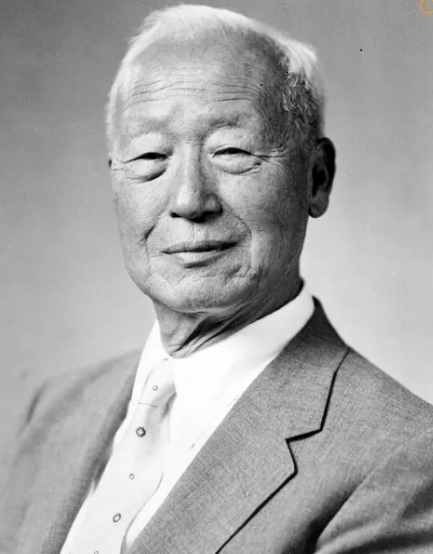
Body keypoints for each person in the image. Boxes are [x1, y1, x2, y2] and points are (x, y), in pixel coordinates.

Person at [1, 4, 433, 554]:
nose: (188, 200)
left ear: (316, 178)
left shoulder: (403, 455)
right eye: (150, 156)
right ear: (115, 182)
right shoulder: (54, 411)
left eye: (231, 151)